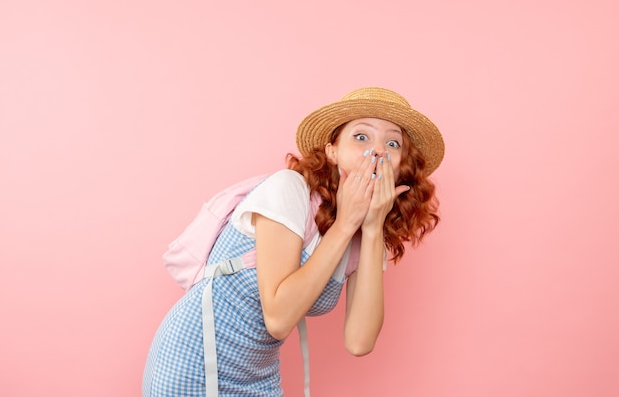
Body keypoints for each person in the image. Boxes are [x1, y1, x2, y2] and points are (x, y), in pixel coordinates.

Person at [142, 87, 445, 396]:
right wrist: (345, 224)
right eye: (361, 137)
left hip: (257, 377)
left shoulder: (368, 233)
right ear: (332, 151)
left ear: (400, 165)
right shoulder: (288, 190)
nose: (378, 150)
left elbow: (359, 342)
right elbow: (278, 318)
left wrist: (370, 229)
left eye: (392, 143)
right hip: (192, 361)